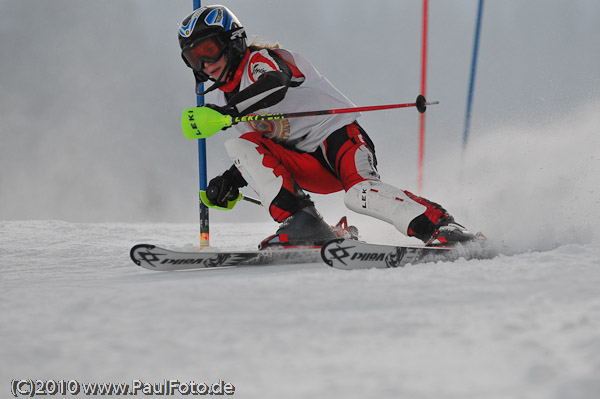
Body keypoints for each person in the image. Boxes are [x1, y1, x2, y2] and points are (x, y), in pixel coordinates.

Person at [178, 5, 476, 249]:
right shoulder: (222, 98)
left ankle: (442, 226)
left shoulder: (261, 61)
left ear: (232, 41)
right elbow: (263, 147)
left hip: (339, 139)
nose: (205, 64)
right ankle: (305, 223)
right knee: (239, 145)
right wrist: (233, 180)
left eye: (209, 49)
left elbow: (275, 84)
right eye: (194, 58)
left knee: (360, 194)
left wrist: (228, 112)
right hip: (306, 163)